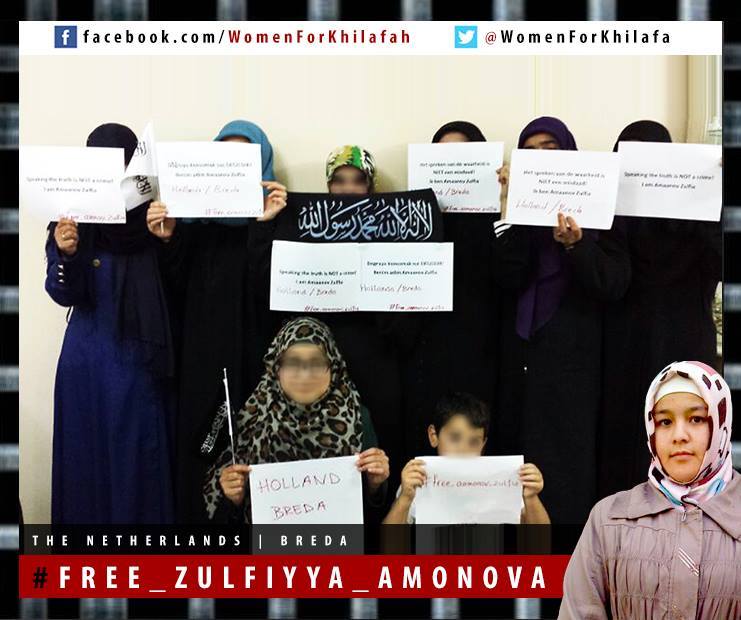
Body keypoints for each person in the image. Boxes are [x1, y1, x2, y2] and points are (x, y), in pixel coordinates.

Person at [146, 119, 288, 523]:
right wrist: (169, 238)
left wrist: (264, 224)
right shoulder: (194, 226)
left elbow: (272, 291)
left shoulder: (275, 218)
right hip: (201, 363)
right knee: (200, 457)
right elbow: (173, 290)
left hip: (254, 360)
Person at [492, 116, 631, 524]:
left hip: (574, 372)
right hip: (520, 368)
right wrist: (512, 205)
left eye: (549, 149)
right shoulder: (516, 220)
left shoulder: (600, 212)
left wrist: (577, 246)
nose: (540, 158)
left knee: (567, 474)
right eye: (530, 151)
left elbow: (614, 283)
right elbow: (504, 276)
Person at [46, 123, 174, 523]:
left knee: (137, 464)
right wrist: (66, 253)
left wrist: (167, 239)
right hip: (85, 364)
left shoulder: (154, 219)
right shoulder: (71, 221)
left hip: (138, 364)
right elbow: (61, 292)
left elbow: (178, 289)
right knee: (85, 466)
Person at [274, 145, 407, 499]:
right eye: (339, 180)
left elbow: (404, 315)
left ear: (370, 187)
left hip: (375, 362)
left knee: (375, 458)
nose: (348, 189)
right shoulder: (305, 227)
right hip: (320, 366)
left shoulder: (392, 231)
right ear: (328, 186)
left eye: (358, 181)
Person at [599, 120, 722, 499]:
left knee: (686, 436)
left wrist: (710, 195)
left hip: (684, 343)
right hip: (626, 348)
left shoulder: (698, 213)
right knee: (630, 439)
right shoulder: (611, 213)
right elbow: (609, 279)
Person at [559, 361, 739, 619]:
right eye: (665, 421)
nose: (679, 435)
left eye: (696, 419)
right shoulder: (609, 520)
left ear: (721, 422)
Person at [203, 317, 389, 523]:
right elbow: (221, 516)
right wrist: (232, 497)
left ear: (333, 367)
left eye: (316, 363)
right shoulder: (252, 417)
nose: (305, 374)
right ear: (276, 368)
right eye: (293, 363)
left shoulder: (356, 415)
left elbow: (371, 510)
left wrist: (375, 484)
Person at [401, 122, 501, 460]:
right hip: (426, 352)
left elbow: (510, 274)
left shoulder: (494, 218)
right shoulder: (415, 219)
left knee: (473, 435)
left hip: (480, 350)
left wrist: (505, 200)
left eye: (463, 153)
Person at [383, 392, 549, 525]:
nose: (463, 450)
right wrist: (405, 498)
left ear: (483, 444)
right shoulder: (417, 481)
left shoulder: (502, 481)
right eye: (455, 438)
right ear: (434, 436)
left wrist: (531, 498)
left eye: (473, 442)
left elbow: (541, 543)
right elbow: (389, 547)